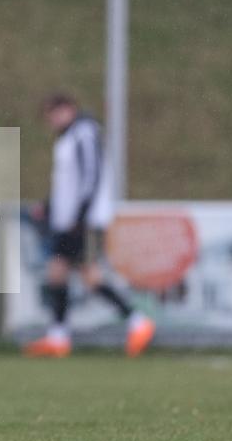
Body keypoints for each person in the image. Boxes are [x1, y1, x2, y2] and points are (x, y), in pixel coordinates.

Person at [24, 93, 155, 358]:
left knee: (88, 277)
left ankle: (137, 322)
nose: (52, 120)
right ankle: (59, 337)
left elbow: (91, 177)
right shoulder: (69, 137)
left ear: (69, 109)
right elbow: (66, 184)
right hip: (69, 219)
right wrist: (49, 207)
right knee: (59, 273)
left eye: (56, 112)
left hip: (83, 220)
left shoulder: (84, 132)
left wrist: (80, 216)